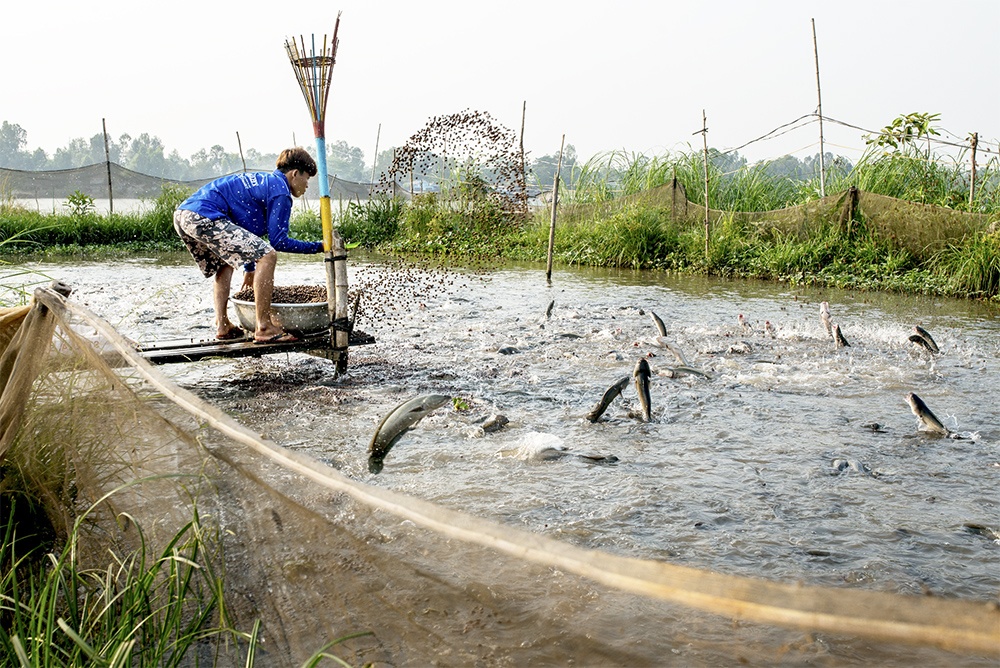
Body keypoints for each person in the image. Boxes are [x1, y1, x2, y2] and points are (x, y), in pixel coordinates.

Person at [173, 147, 324, 343]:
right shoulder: (280, 192)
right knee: (268, 255)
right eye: (307, 179)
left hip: (184, 215)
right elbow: (278, 241)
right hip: (205, 216)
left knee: (224, 264)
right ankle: (264, 326)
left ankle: (222, 325)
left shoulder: (266, 182)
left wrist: (250, 268)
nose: (306, 185)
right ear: (295, 174)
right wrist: (319, 247)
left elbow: (244, 231)